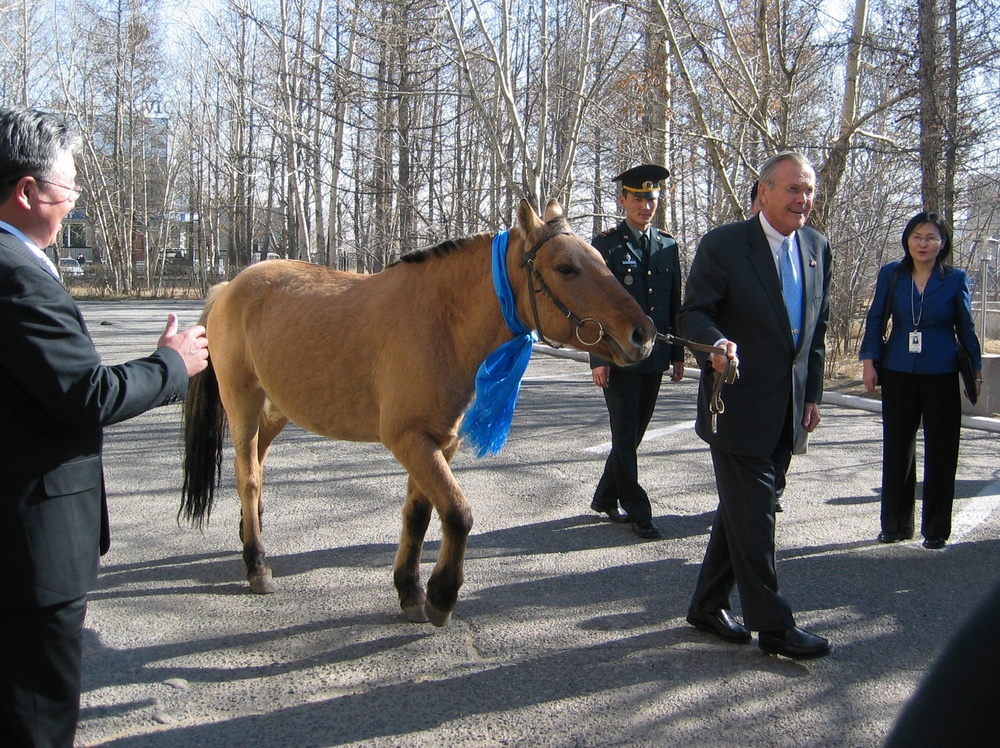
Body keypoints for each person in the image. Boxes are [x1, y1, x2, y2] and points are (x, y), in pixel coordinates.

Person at [0, 106, 209, 748]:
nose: (74, 203)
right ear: (28, 191)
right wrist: (172, 366)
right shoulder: (15, 275)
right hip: (30, 551)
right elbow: (84, 394)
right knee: (38, 720)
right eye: (68, 188)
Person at [679, 151, 833, 659]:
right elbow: (693, 313)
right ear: (763, 192)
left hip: (788, 410)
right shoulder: (725, 245)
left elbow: (816, 332)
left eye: (808, 190)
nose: (802, 199)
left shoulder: (817, 247)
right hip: (736, 405)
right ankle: (774, 626)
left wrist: (812, 395)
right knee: (757, 519)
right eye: (793, 188)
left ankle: (707, 605)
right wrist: (715, 344)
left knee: (743, 513)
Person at [859, 212, 982, 550]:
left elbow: (966, 327)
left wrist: (975, 370)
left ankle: (936, 528)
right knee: (897, 448)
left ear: (942, 243)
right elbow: (875, 319)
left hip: (941, 371)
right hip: (898, 368)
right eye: (916, 236)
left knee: (942, 450)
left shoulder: (955, 278)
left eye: (930, 238)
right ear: (907, 240)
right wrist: (869, 361)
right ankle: (895, 524)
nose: (922, 244)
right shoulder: (892, 274)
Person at [589, 164, 685, 540]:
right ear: (623, 200)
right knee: (626, 434)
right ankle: (638, 510)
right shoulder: (607, 245)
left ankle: (605, 497)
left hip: (655, 356)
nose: (646, 206)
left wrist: (677, 355)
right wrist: (598, 358)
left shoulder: (668, 245)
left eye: (652, 199)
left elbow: (673, 303)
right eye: (639, 199)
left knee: (633, 435)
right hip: (618, 356)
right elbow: (595, 307)